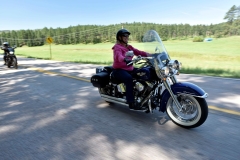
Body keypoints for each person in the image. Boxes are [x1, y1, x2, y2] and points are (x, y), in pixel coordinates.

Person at [112, 29, 151, 111]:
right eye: (124, 36)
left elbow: (139, 52)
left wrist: (152, 55)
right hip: (119, 70)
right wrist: (125, 59)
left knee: (145, 72)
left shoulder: (129, 47)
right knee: (129, 79)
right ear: (119, 37)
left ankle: (145, 96)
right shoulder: (117, 47)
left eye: (127, 36)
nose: (127, 37)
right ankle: (131, 102)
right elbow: (118, 56)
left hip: (130, 68)